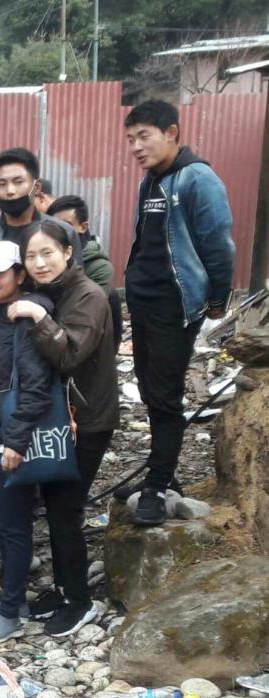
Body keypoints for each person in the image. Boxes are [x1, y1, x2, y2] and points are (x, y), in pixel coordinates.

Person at [121, 100, 235, 524]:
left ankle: (157, 486)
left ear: (171, 132)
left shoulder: (198, 178)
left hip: (175, 306)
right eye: (131, 139)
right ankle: (162, 474)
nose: (135, 146)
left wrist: (217, 301)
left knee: (165, 397)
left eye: (144, 136)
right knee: (151, 393)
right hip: (145, 305)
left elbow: (219, 244)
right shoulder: (150, 181)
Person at [3, 221, 118, 636]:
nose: (39, 263)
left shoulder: (89, 295)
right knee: (53, 507)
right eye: (31, 256)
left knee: (66, 510)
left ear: (69, 251)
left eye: (47, 253)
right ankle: (63, 587)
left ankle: (80, 601)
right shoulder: (53, 292)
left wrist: (37, 316)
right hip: (59, 418)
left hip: (86, 421)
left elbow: (69, 355)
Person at [0, 241, 55, 645]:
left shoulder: (24, 319)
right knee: (3, 522)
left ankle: (11, 611)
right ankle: (11, 601)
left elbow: (36, 387)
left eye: (0, 273)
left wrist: (16, 440)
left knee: (16, 527)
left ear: (20, 275)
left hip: (8, 440)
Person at [0, 148, 82, 276]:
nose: (10, 190)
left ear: (36, 187)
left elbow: (75, 286)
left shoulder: (64, 232)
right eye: (2, 184)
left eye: (18, 182)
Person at [47, 194, 122, 352]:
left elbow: (88, 311)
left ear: (83, 227)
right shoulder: (45, 257)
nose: (60, 231)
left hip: (81, 335)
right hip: (49, 330)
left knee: (112, 298)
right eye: (54, 224)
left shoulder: (98, 266)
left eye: (66, 225)